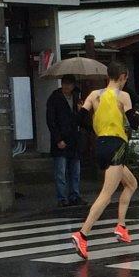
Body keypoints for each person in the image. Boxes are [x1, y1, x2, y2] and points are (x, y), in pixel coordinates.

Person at [69, 62, 139, 260]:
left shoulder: (94, 95)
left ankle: (121, 226)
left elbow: (80, 120)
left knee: (132, 183)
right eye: (126, 79)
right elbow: (133, 124)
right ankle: (82, 234)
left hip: (100, 144)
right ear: (123, 77)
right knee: (106, 195)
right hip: (116, 145)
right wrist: (136, 113)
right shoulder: (123, 96)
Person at [46, 74, 84, 207]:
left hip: (74, 139)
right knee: (61, 172)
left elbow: (81, 121)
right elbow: (51, 121)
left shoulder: (76, 99)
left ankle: (75, 195)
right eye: (64, 84)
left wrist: (80, 111)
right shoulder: (54, 98)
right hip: (61, 139)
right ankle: (62, 198)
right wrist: (58, 139)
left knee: (75, 171)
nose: (66, 87)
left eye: (69, 84)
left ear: (73, 86)